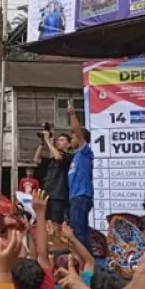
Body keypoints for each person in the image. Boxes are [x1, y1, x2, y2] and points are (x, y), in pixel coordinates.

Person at [66, 102, 94, 253]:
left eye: (73, 137)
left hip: (82, 196)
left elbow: (77, 131)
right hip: (75, 197)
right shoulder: (76, 155)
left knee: (79, 233)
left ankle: (89, 264)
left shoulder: (85, 152)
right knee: (78, 232)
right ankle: (86, 262)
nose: (72, 139)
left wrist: (72, 114)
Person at [34, 131, 73, 224]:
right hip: (47, 194)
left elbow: (59, 158)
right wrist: (42, 143)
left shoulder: (69, 157)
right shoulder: (52, 160)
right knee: (46, 222)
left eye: (62, 140)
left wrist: (48, 140)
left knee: (55, 223)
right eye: (58, 140)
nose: (58, 142)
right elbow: (36, 159)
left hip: (58, 195)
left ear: (69, 144)